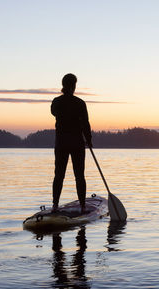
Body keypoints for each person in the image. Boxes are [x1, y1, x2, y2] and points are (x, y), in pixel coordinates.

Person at [51, 73, 92, 213]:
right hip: (76, 143)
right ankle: (82, 206)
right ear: (73, 86)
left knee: (59, 175)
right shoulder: (79, 103)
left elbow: (54, 112)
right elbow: (85, 123)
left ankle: (55, 205)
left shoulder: (56, 102)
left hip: (62, 143)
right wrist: (89, 140)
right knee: (79, 175)